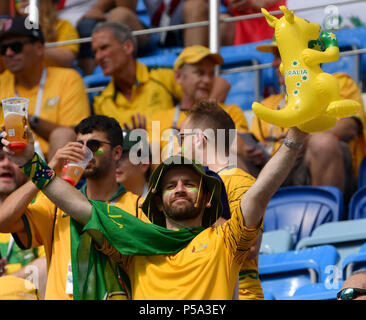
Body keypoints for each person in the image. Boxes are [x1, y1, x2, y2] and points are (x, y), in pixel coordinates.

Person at [1, 107, 308, 299]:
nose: (179, 189)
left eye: (190, 184)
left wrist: (295, 137)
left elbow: (260, 193)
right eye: (170, 185)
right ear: (157, 202)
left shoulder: (223, 240)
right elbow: (76, 205)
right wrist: (31, 161)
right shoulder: (134, 245)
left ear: (205, 199)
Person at [0, 115, 148, 300]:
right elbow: (3, 221)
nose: (84, 152)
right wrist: (48, 168)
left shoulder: (138, 207)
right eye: (79, 145)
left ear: (117, 153)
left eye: (94, 146)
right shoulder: (55, 205)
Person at [251, 37, 365, 203]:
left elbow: (349, 127)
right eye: (275, 57)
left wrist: (300, 140)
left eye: (281, 55)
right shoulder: (267, 104)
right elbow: (255, 146)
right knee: (228, 155)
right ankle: (238, 226)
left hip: (317, 164)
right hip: (273, 170)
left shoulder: (338, 83)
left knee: (322, 143)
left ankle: (326, 222)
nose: (274, 64)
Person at [179, 100, 263, 300]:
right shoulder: (191, 187)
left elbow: (249, 247)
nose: (179, 146)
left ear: (199, 139)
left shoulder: (240, 181)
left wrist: (199, 212)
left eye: (182, 138)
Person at [147, 45, 267, 174]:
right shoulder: (158, 118)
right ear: (178, 76)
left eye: (211, 74)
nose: (207, 80)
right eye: (200, 73)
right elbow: (154, 166)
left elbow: (237, 147)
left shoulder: (230, 111)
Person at [91, 21, 230, 130]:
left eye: (104, 48)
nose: (98, 56)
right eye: (95, 51)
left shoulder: (161, 76)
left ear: (128, 47)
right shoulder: (101, 102)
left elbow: (220, 85)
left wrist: (199, 124)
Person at [0, 16, 90, 160]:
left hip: (52, 164)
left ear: (39, 48)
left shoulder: (68, 79)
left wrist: (29, 120)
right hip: (8, 163)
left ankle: (54, 182)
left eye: (16, 47)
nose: (9, 53)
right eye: (3, 49)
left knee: (62, 135)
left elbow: (77, 135)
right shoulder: (1, 82)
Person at [0, 146, 47, 299]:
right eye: (0, 158)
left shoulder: (41, 204)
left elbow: (46, 266)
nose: (5, 164)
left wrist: (5, 283)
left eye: (13, 159)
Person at [14, 0, 80, 68]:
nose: (23, 0)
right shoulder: (9, 28)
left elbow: (67, 60)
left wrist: (33, 42)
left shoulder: (63, 25)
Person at [115, 130, 151, 197]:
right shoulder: (100, 204)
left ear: (144, 164)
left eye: (122, 157)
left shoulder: (160, 202)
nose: (114, 163)